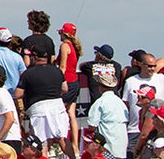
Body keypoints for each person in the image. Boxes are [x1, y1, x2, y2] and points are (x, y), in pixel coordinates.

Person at [14, 45, 71, 159]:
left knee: (41, 142)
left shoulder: (28, 73)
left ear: (34, 57)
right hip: (57, 107)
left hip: (38, 109)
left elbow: (17, 94)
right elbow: (65, 89)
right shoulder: (57, 71)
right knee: (62, 139)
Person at [123, 53, 164, 155]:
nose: (152, 68)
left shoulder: (161, 78)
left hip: (154, 131)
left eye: (154, 66)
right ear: (141, 65)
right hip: (134, 129)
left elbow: (144, 134)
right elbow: (126, 104)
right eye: (149, 66)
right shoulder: (130, 81)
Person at [86, 70, 128, 159]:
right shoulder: (120, 103)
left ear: (99, 86)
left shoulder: (100, 102)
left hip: (107, 147)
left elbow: (92, 126)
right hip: (122, 147)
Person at [55, 23, 82, 157]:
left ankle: (63, 143)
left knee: (61, 113)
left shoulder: (64, 46)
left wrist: (58, 82)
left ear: (64, 34)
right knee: (72, 114)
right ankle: (75, 146)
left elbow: (63, 66)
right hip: (75, 81)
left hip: (67, 82)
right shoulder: (75, 47)